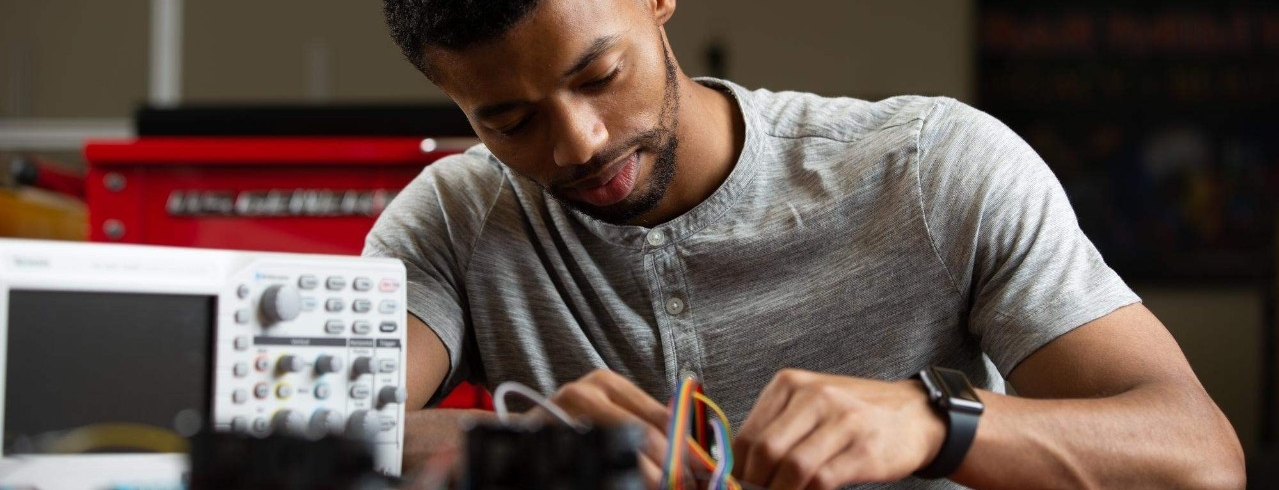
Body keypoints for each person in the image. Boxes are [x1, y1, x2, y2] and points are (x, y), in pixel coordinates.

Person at [365, 0, 1246, 488]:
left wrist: (934, 422)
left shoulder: (931, 168)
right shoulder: (456, 216)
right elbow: (313, 429)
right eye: (508, 122)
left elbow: (1197, 460)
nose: (577, 145)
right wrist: (518, 443)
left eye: (599, 75)